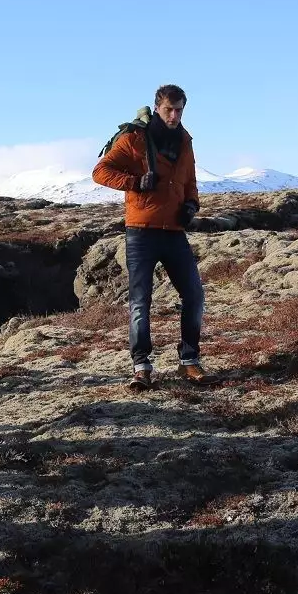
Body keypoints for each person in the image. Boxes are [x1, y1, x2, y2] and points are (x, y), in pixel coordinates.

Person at [92, 84, 207, 389]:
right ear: (157, 106)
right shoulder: (134, 138)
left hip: (173, 231)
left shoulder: (185, 140)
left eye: (180, 109)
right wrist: (135, 183)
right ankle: (141, 366)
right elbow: (100, 171)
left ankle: (189, 361)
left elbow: (190, 180)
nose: (174, 115)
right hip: (141, 231)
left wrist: (192, 205)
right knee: (141, 301)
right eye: (169, 109)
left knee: (194, 295)